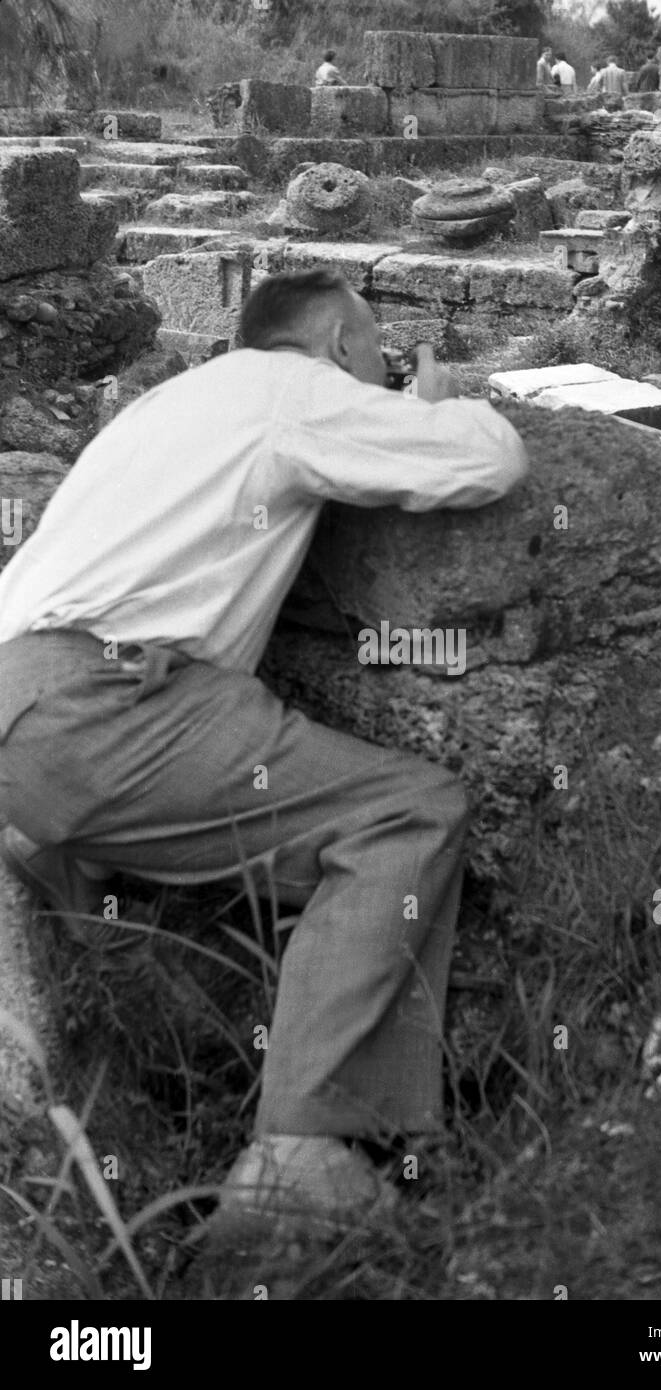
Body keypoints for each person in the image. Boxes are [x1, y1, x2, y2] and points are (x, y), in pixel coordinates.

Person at [0, 269, 528, 1254]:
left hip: (20, 710)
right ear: (334, 343)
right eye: (373, 349)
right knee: (402, 812)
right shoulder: (299, 390)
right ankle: (304, 1157)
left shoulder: (174, 400)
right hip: (107, 704)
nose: (375, 367)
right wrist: (439, 397)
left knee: (174, 825)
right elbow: (485, 461)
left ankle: (141, 1074)